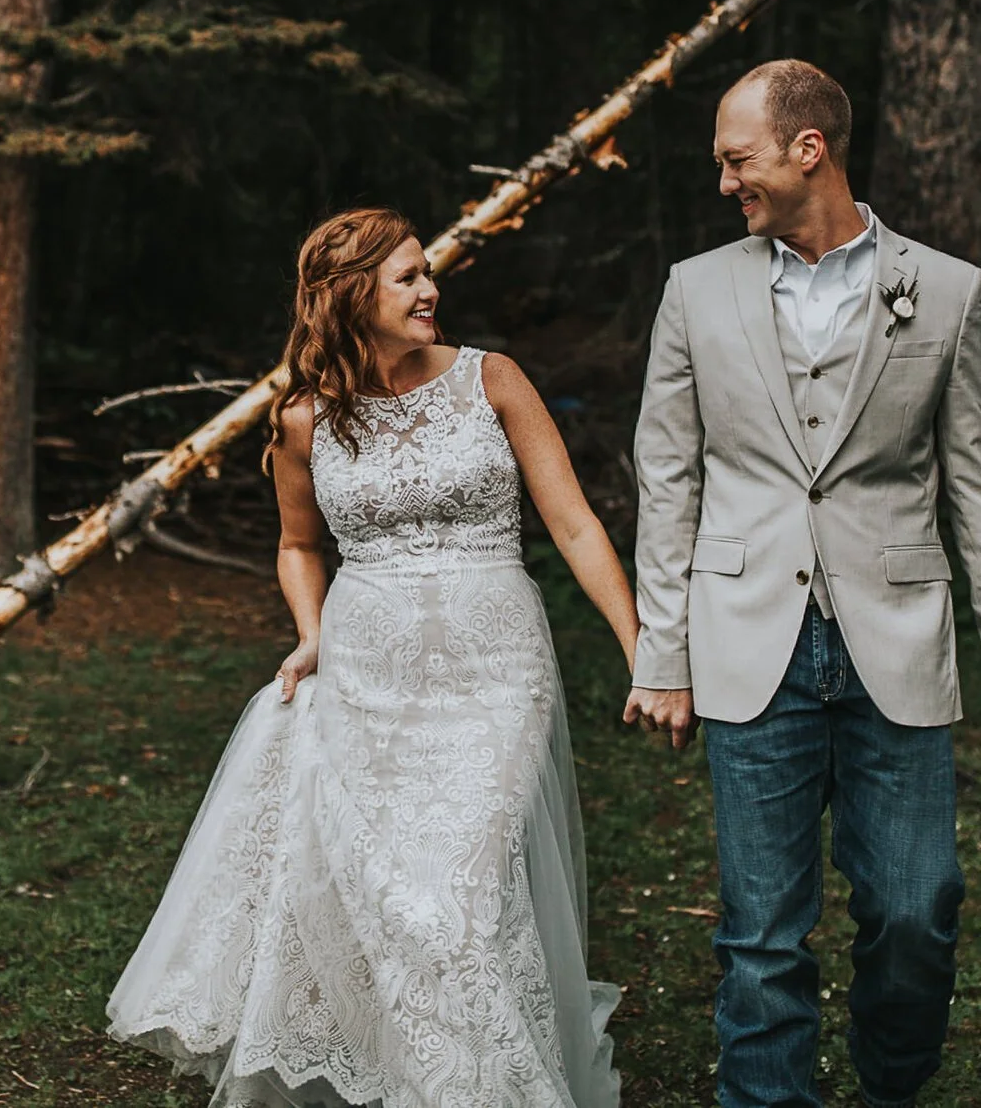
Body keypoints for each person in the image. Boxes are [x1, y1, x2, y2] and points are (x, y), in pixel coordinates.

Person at [109, 206, 637, 1108]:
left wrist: (642, 647)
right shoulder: (306, 419)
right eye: (409, 277)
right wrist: (312, 633)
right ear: (351, 295)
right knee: (392, 897)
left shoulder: (492, 380)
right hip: (369, 677)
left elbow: (576, 522)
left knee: (463, 894)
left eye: (428, 272)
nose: (432, 289)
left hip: (495, 669)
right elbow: (297, 544)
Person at [624, 59, 981, 1108]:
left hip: (895, 635)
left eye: (738, 158)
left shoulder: (945, 290)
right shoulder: (694, 288)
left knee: (915, 906)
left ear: (807, 147)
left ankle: (890, 1086)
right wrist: (661, 654)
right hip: (744, 635)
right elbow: (666, 479)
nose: (726, 181)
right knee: (761, 928)